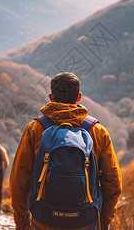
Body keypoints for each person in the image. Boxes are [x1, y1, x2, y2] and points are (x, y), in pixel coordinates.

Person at [10, 72, 122, 230]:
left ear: (51, 97)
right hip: (85, 220)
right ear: (78, 97)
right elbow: (113, 183)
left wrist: (21, 223)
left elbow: (19, 180)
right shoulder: (97, 132)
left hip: (44, 218)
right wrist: (103, 221)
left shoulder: (35, 129)